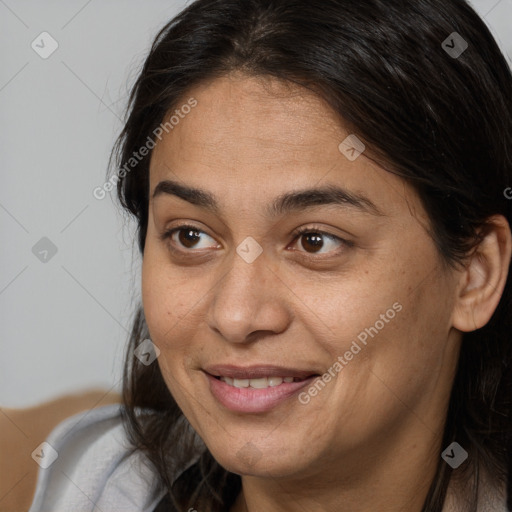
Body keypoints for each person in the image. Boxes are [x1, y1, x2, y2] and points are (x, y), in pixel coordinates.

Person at [28, 0, 512, 510]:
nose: (236, 316)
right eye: (191, 236)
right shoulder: (96, 484)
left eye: (315, 241)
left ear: (475, 274)